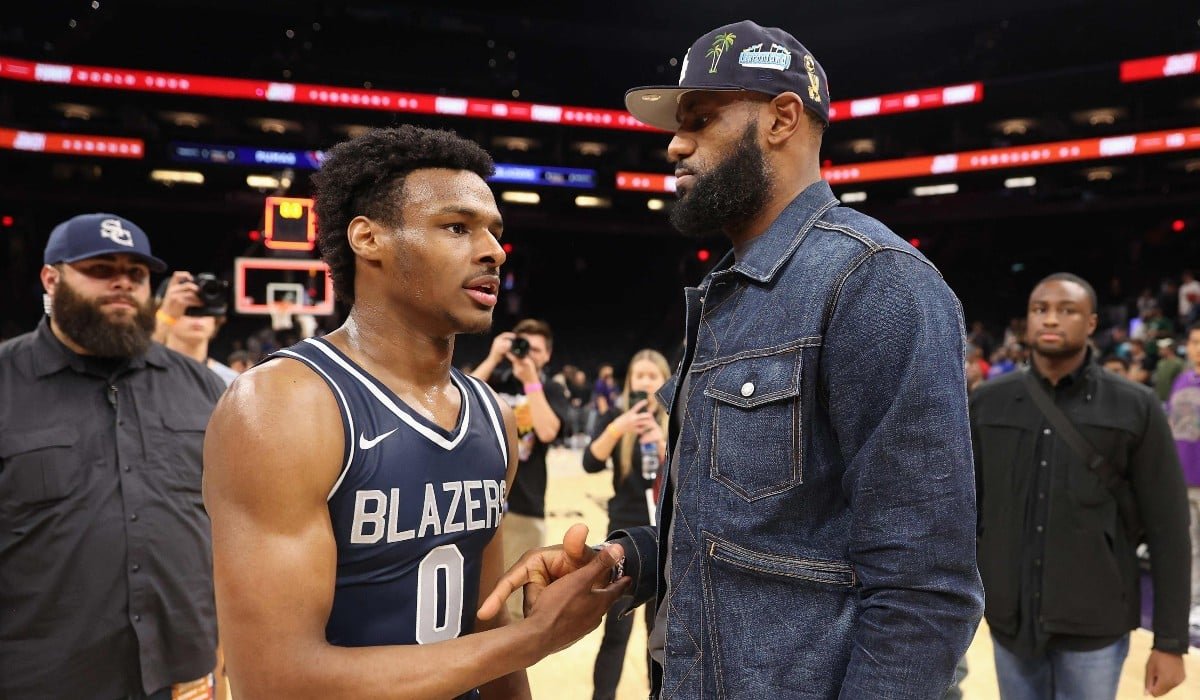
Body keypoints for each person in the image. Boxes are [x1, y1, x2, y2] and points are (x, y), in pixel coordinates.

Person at [483, 20, 983, 698]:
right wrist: (625, 557)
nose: (674, 144)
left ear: (782, 118)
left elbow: (925, 588)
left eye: (702, 119)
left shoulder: (877, 282)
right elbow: (756, 536)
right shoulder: (730, 292)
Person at [202, 126, 627, 700]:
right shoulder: (284, 405)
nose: (493, 251)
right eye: (457, 227)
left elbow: (486, 619)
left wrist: (518, 643)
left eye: (496, 233)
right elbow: (277, 680)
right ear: (367, 238)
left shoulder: (491, 415)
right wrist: (536, 638)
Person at [0, 213, 225, 699]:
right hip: (40, 678)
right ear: (51, 279)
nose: (122, 282)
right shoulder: (5, 382)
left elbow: (234, 527)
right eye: (100, 269)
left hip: (180, 673)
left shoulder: (202, 387)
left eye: (136, 273)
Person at [972, 273, 1191, 699]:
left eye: (1066, 310)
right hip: (1010, 623)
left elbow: (1168, 531)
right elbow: (969, 512)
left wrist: (1170, 642)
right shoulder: (988, 402)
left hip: (1096, 624)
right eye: (1041, 310)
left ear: (1091, 323)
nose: (1051, 320)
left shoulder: (1136, 406)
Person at [582, 349, 671, 700]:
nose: (645, 383)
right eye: (639, 376)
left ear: (664, 380)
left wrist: (663, 443)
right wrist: (619, 428)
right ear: (629, 383)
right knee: (615, 631)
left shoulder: (675, 420)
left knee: (660, 633)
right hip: (623, 541)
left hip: (665, 537)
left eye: (652, 376)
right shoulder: (616, 421)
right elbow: (590, 462)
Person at [470, 319, 571, 620]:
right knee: (477, 597)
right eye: (522, 346)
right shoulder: (497, 381)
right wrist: (492, 358)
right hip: (483, 502)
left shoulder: (551, 389)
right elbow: (460, 402)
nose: (528, 355)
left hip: (525, 506)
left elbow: (548, 431)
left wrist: (531, 380)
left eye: (536, 350)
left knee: (513, 605)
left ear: (548, 356)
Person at [1167, 322, 1200, 634]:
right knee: (1189, 544)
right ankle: (1193, 602)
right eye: (1193, 341)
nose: (1196, 348)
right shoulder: (1181, 380)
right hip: (1183, 475)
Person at [156, 276, 239, 386]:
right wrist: (164, 319)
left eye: (206, 309)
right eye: (188, 309)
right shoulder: (145, 375)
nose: (198, 317)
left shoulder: (233, 383)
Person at [1154, 337, 1186, 403]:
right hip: (1159, 399)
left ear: (1169, 349)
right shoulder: (1160, 363)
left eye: (1161, 349)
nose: (1159, 350)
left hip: (1172, 400)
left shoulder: (1178, 363)